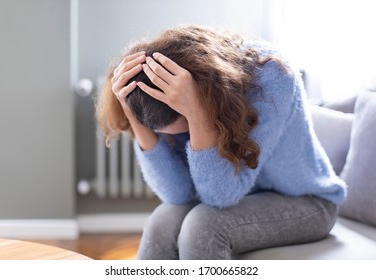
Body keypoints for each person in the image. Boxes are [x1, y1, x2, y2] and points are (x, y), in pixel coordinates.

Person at [96, 25, 347, 260]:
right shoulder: (163, 92)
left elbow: (221, 196)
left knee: (203, 227)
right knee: (162, 221)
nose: (172, 138)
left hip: (308, 202)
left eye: (178, 129)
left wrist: (197, 114)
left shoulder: (273, 77)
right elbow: (177, 194)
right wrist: (130, 111)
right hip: (241, 196)